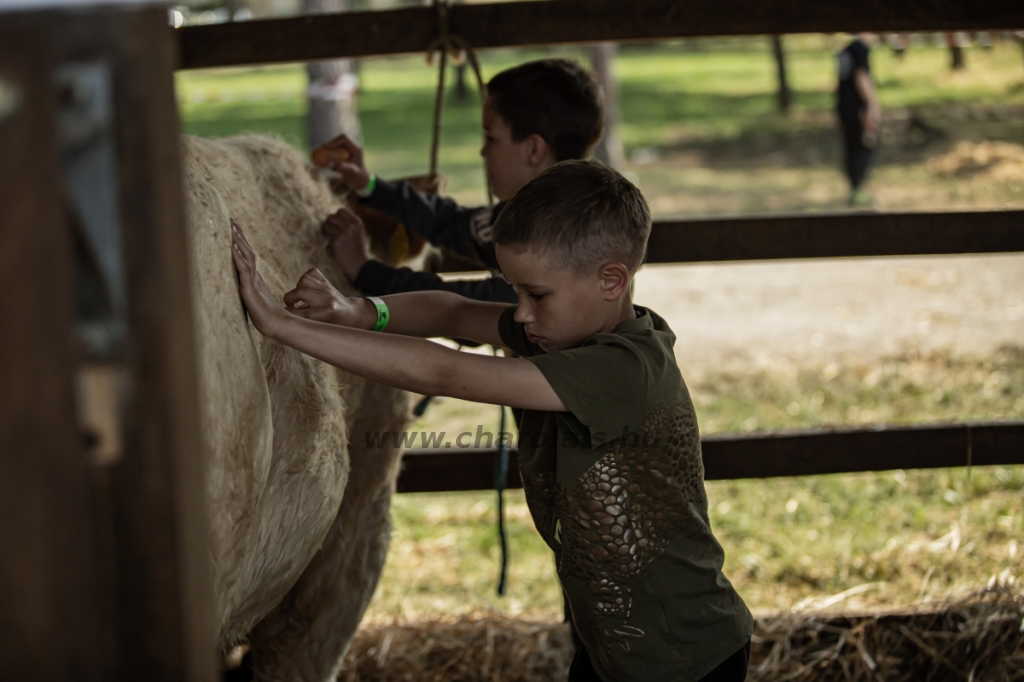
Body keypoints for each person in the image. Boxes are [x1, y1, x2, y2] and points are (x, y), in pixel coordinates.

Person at [231, 160, 754, 682]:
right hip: (613, 649)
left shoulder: (623, 371)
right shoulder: (566, 331)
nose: (521, 313)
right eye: (516, 291)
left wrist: (283, 326)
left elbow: (443, 370)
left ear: (611, 280)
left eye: (537, 295)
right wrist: (360, 311)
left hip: (686, 656)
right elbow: (453, 312)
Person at [318, 58, 604, 304]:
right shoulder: (531, 215)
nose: (483, 151)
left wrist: (363, 270)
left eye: (491, 138)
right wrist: (369, 186)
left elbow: (461, 307)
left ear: (533, 150)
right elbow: (450, 223)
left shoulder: (562, 245)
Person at [837, 33, 882, 207]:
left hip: (844, 107)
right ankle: (858, 188)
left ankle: (855, 188)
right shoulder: (860, 48)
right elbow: (862, 75)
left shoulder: (846, 49)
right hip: (857, 109)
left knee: (851, 148)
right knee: (862, 148)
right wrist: (872, 105)